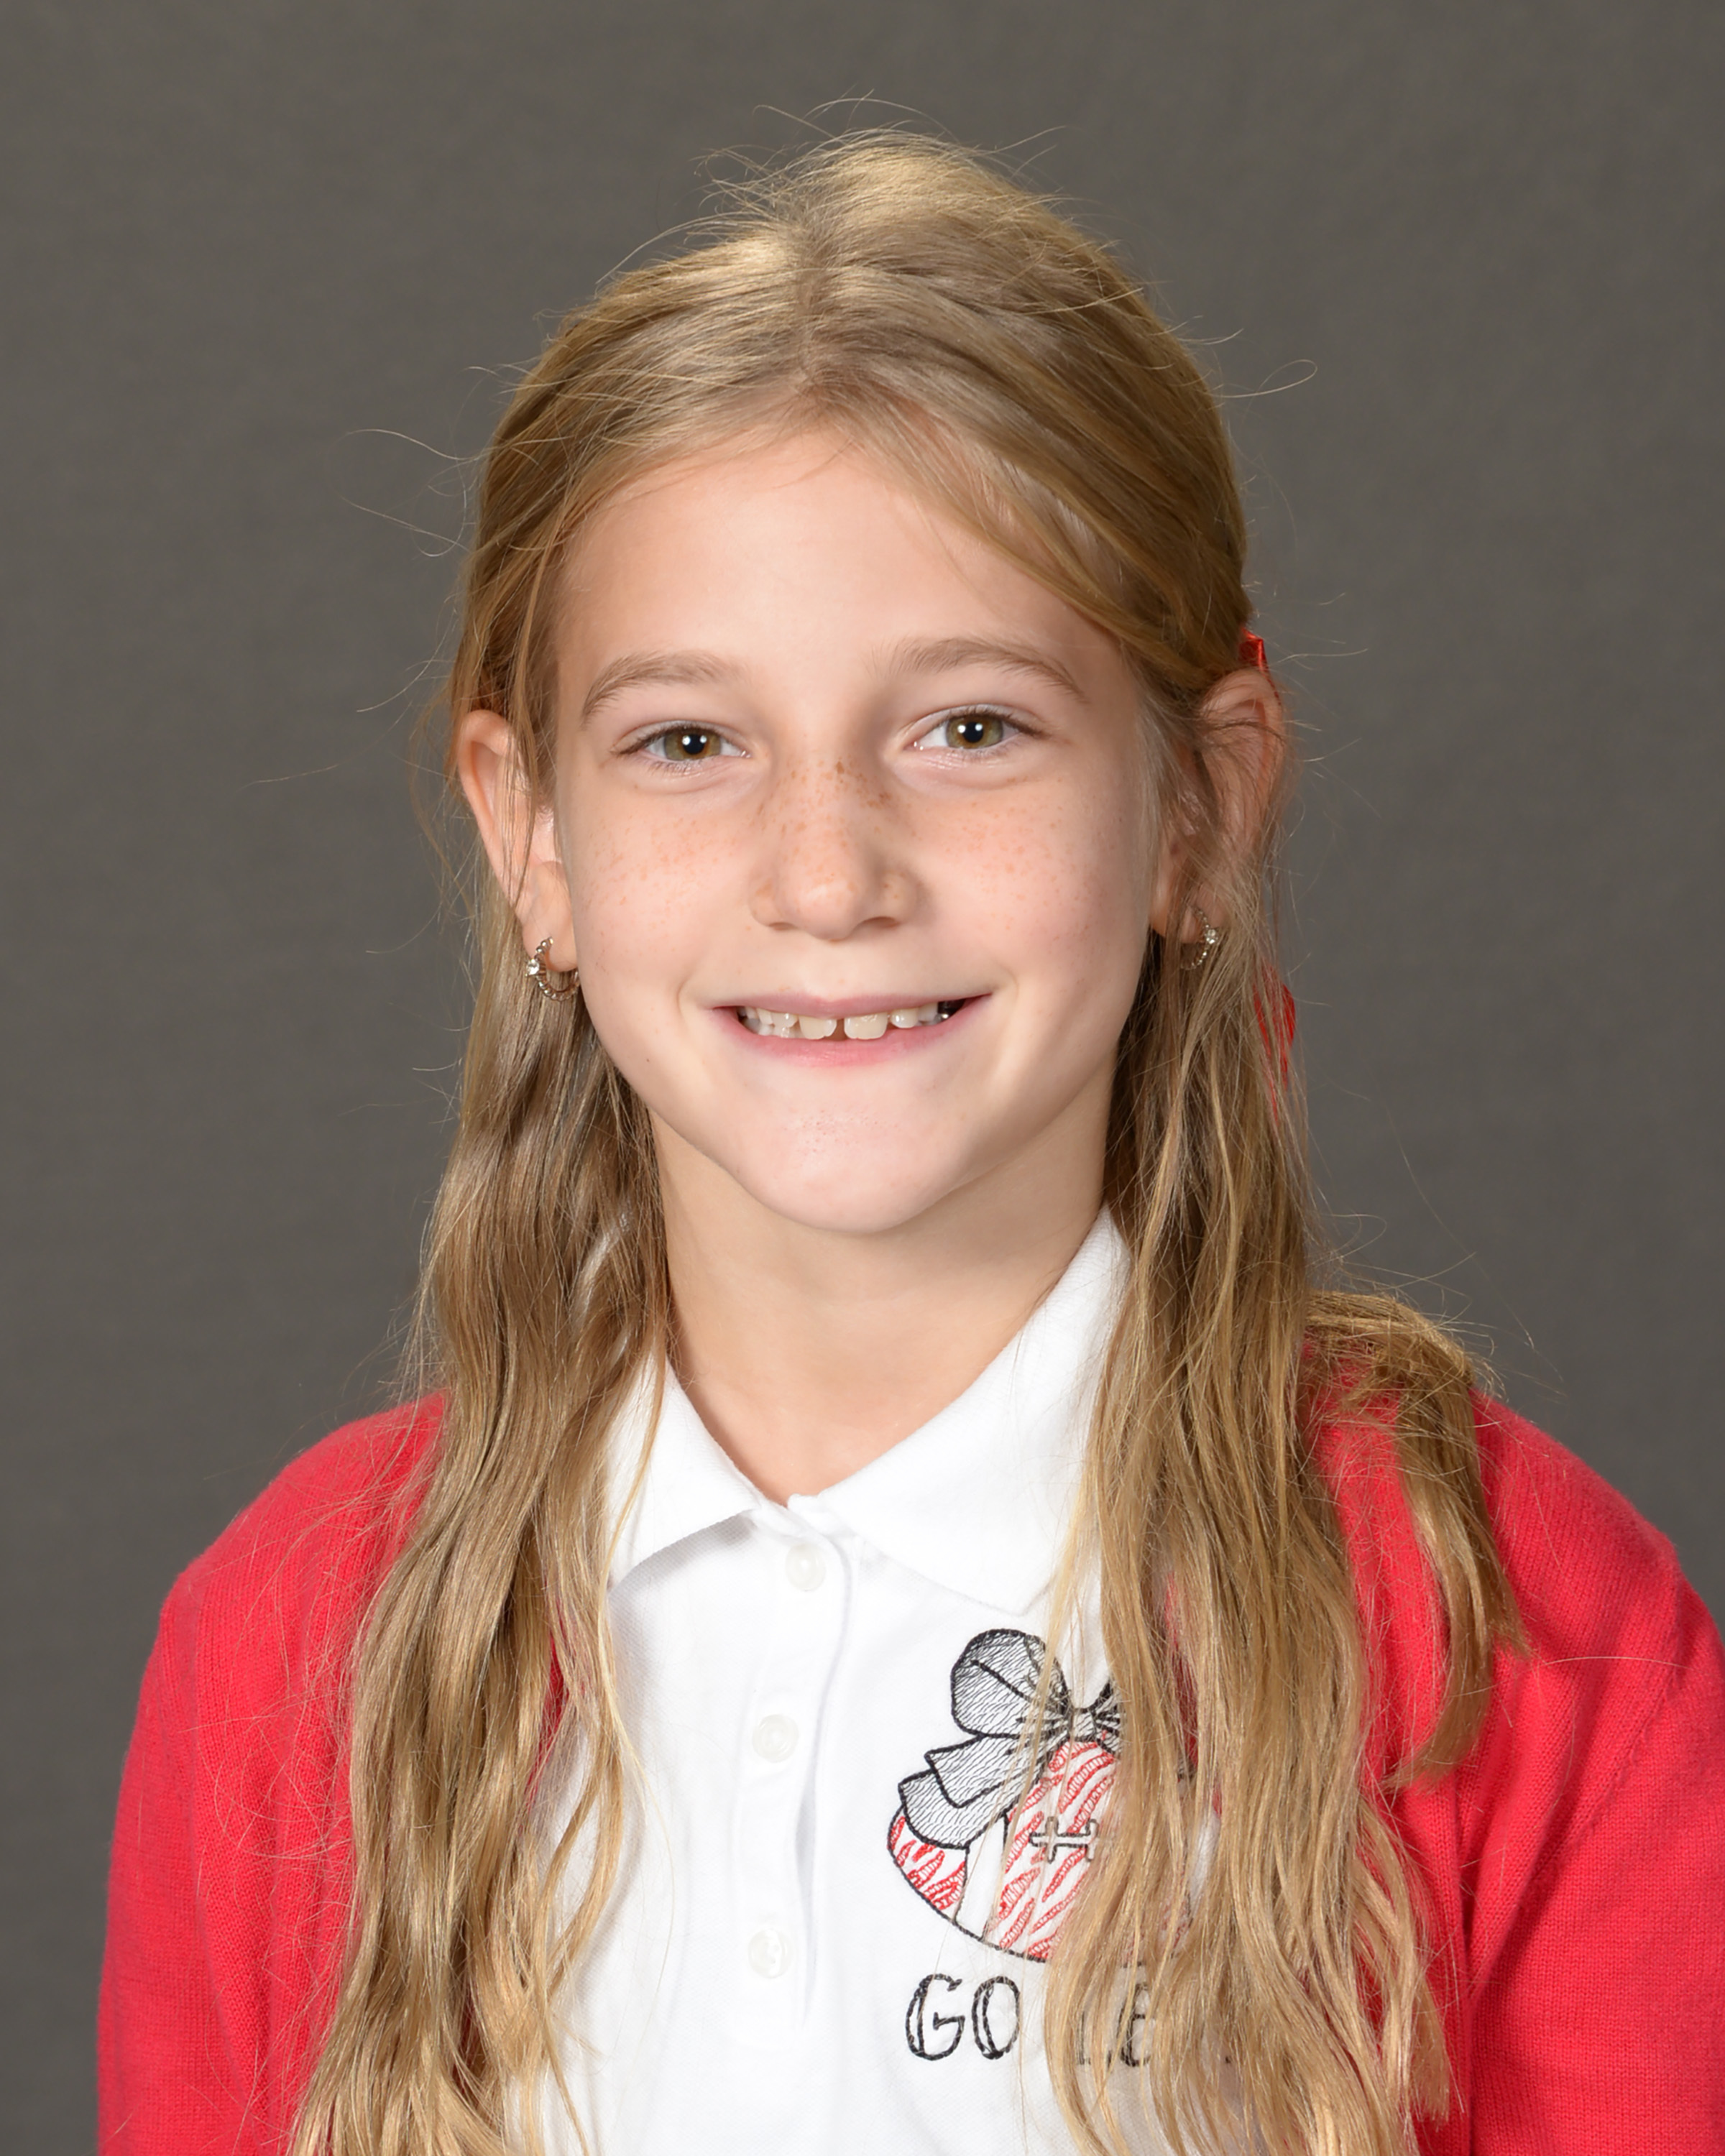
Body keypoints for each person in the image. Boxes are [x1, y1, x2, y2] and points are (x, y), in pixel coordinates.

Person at [98, 134, 1725, 2156]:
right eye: (690, 742)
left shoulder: (1523, 1632)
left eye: (969, 728)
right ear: (532, 836)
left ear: (1201, 806)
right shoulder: (286, 1648)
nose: (827, 875)